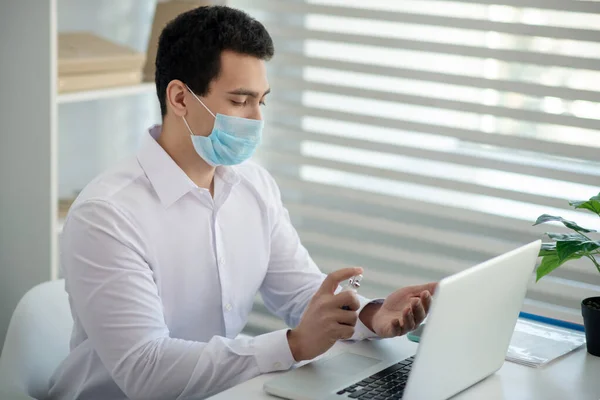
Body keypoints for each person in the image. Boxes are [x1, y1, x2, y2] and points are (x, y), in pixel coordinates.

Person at [47, 5, 436, 400]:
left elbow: (303, 295)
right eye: (239, 101)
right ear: (180, 98)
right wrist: (293, 345)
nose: (256, 120)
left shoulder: (254, 187)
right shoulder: (107, 215)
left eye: (261, 102)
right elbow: (147, 371)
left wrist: (372, 314)